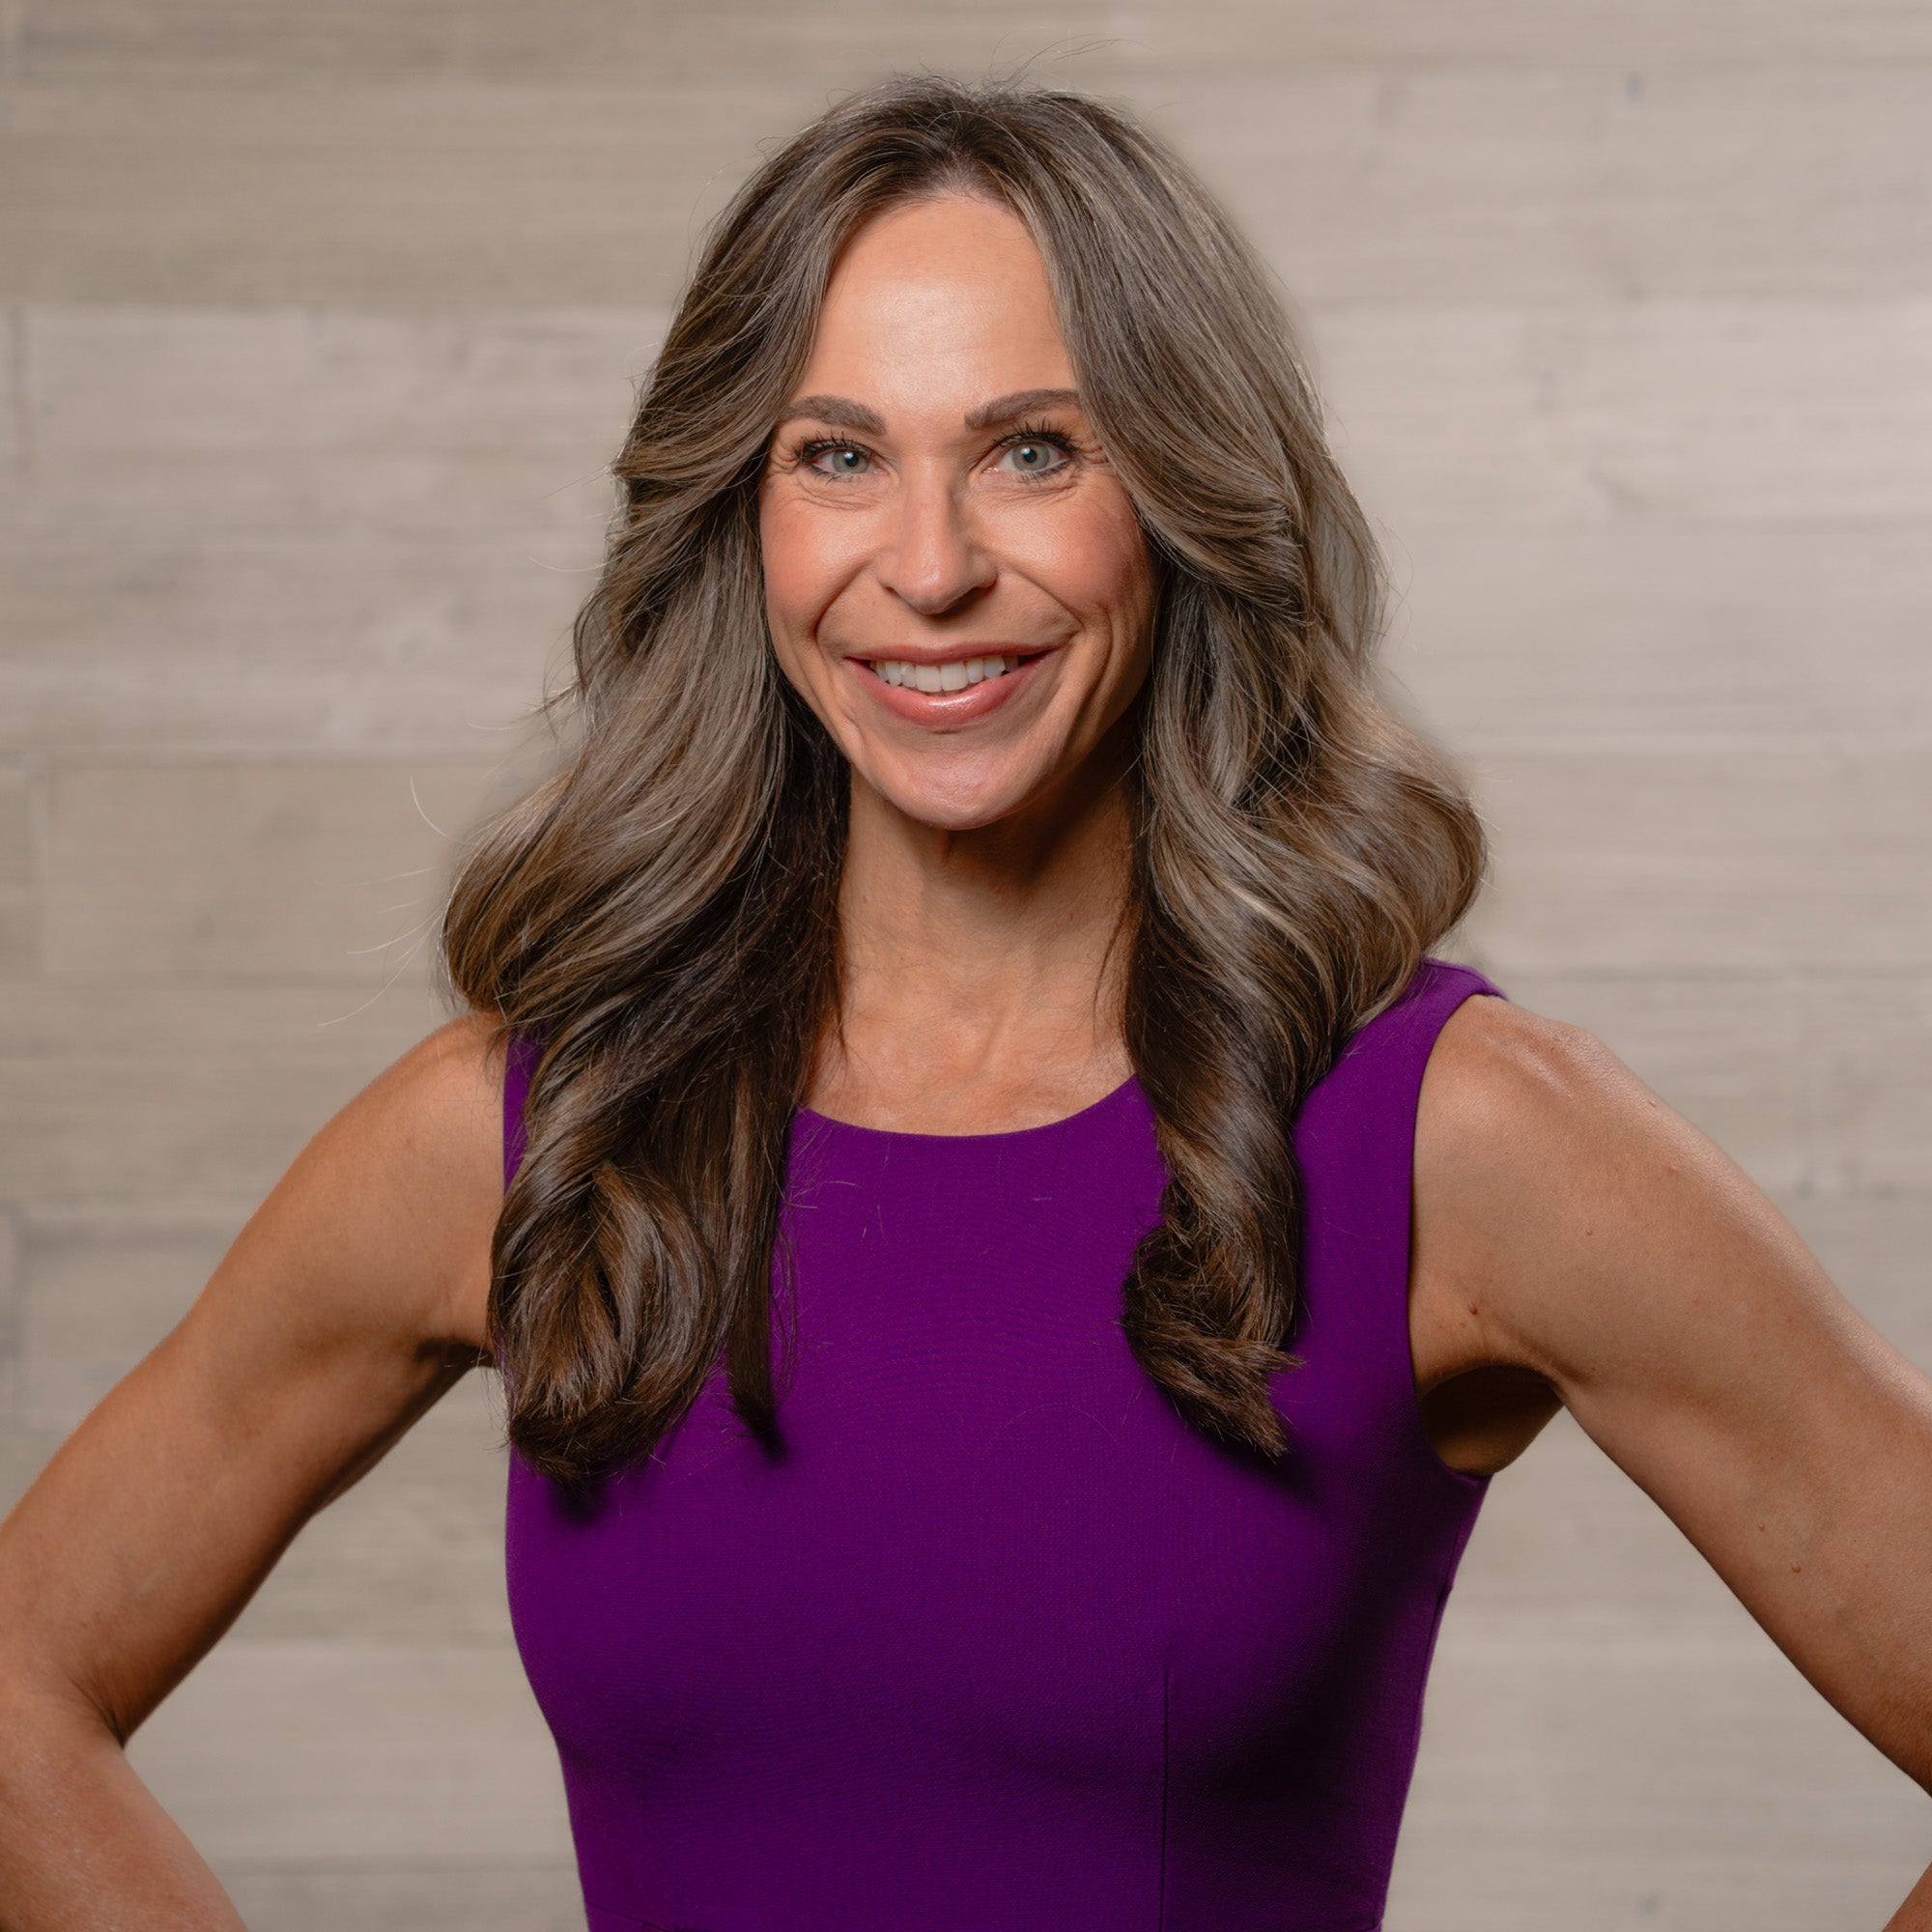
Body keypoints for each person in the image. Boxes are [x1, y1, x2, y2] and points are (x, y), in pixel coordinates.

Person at [1, 71, 1928, 1932]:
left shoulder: (1458, 1135)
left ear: (1176, 495)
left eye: (1033, 449)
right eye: (837, 455)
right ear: (744, 519)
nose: (927, 570)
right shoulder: (517, 1134)